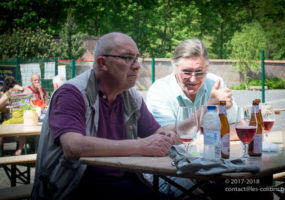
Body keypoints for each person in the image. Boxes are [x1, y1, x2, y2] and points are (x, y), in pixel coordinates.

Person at [31, 32, 179, 200]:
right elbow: (72, 147)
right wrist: (141, 146)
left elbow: (156, 134)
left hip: (122, 183)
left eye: (137, 58)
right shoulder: (71, 94)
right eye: (128, 58)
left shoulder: (131, 97)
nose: (137, 66)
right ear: (103, 63)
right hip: (74, 189)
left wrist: (174, 130)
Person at [146, 38, 240, 197]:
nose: (193, 79)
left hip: (211, 165)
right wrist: (209, 106)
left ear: (207, 68)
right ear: (174, 67)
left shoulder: (215, 83)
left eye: (200, 72)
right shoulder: (159, 90)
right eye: (187, 72)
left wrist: (206, 138)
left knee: (255, 187)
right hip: (171, 167)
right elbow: (170, 140)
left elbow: (239, 128)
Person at [0, 76, 28, 155]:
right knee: (23, 132)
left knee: (1, 127)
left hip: (16, 120)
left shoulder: (10, 92)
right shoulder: (27, 90)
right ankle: (20, 149)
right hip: (27, 120)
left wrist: (5, 104)